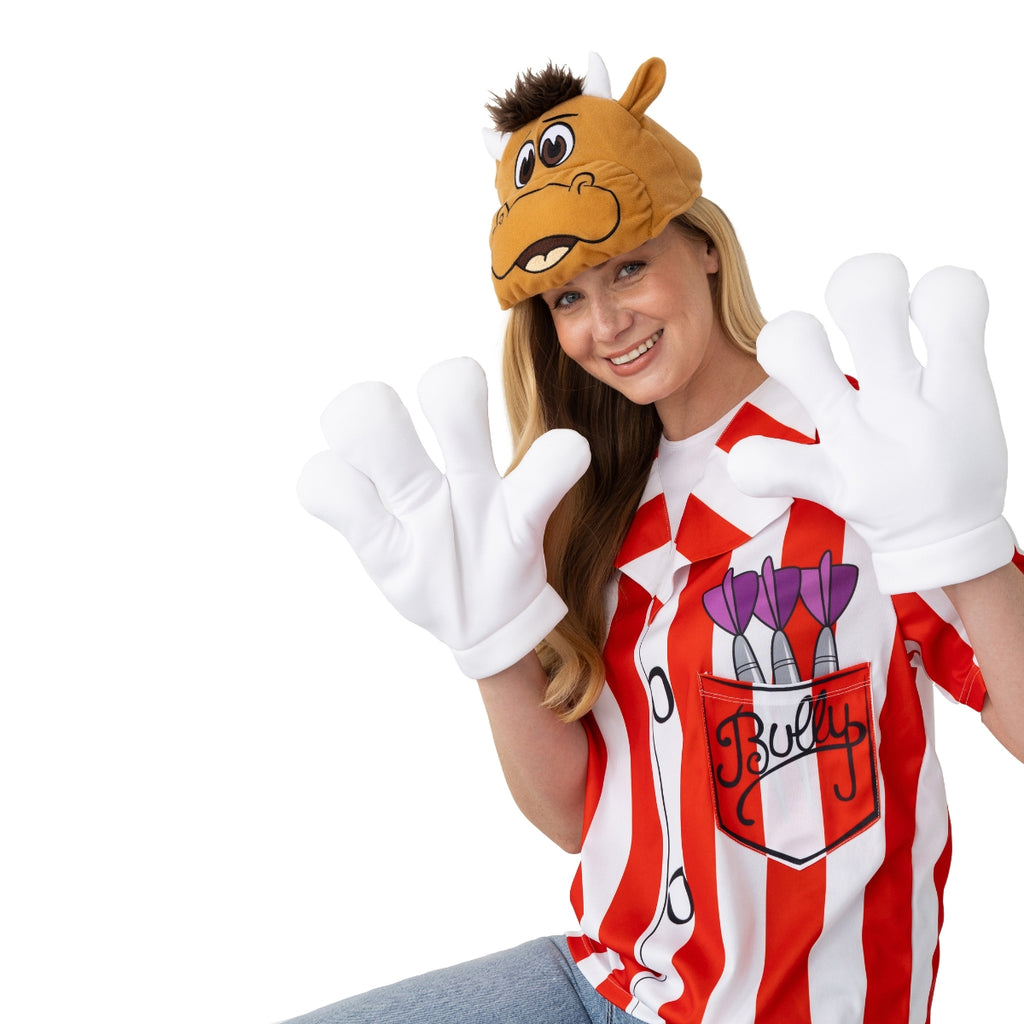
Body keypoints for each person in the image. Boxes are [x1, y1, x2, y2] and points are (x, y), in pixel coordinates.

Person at [292, 53, 1024, 1024]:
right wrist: (489, 645)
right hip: (605, 983)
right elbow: (574, 817)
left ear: (705, 246)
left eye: (628, 267)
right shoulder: (588, 506)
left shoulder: (868, 455)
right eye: (567, 300)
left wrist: (965, 543)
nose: (606, 324)